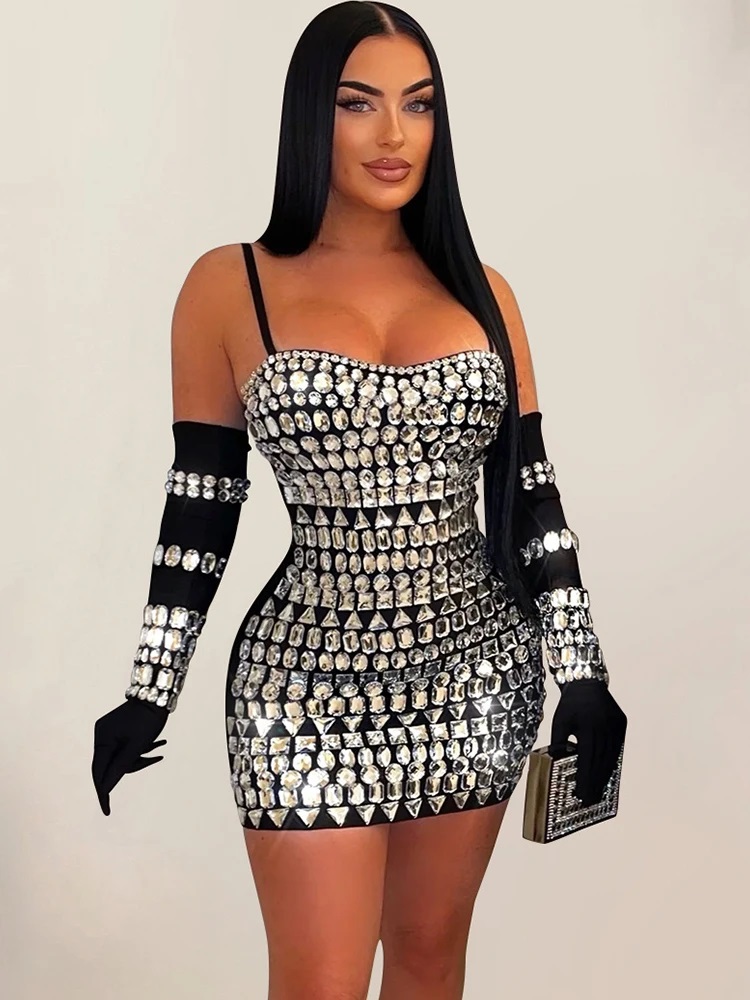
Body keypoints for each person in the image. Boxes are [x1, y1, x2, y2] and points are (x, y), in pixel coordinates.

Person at [91, 3, 627, 998]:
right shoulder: (228, 285)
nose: (393, 134)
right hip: (302, 681)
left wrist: (583, 674)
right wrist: (149, 688)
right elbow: (201, 507)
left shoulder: (486, 292)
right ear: (310, 116)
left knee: (428, 962)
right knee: (318, 981)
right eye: (358, 104)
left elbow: (531, 497)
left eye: (418, 105)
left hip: (476, 674)